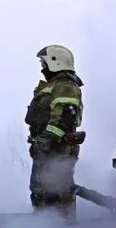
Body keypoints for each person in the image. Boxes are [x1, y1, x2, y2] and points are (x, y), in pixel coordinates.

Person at [25, 45, 85, 218]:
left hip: (57, 149)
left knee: (57, 191)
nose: (42, 68)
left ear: (55, 62)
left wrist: (46, 143)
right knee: (41, 191)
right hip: (48, 146)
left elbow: (64, 118)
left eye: (44, 63)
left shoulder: (65, 86)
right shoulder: (54, 86)